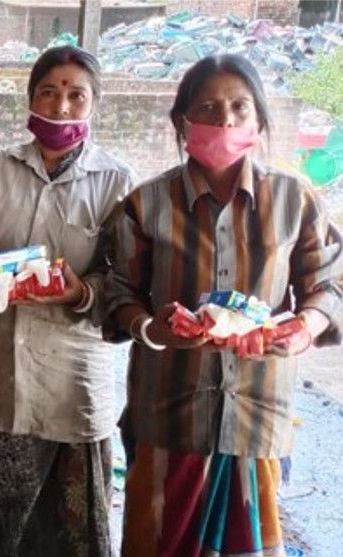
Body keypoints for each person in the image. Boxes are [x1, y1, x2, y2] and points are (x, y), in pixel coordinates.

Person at [106, 54, 343, 556]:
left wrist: (305, 327)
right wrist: (154, 329)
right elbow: (118, 292)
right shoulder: (146, 204)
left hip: (256, 418)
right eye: (208, 107)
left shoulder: (293, 200)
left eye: (240, 106)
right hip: (169, 416)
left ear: (259, 120)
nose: (226, 120)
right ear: (182, 122)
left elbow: (330, 281)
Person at [0, 45, 137, 556]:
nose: (62, 105)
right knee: (3, 532)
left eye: (77, 94)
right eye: (49, 92)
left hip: (76, 387)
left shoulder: (116, 181)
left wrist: (81, 291)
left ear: (94, 104)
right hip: (1, 383)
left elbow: (127, 279)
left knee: (80, 534)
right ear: (30, 100)